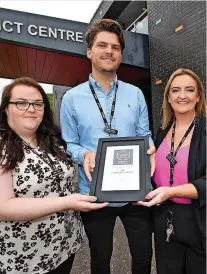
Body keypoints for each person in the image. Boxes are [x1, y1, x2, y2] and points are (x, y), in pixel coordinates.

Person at [60, 19, 155, 274]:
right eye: (102, 45)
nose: (109, 51)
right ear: (89, 51)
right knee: (100, 260)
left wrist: (150, 148)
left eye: (115, 47)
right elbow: (70, 144)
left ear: (120, 54)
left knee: (144, 258)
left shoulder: (135, 94)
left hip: (134, 193)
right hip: (94, 194)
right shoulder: (71, 99)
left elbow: (144, 134)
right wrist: (85, 154)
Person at [0, 77, 108, 274]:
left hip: (64, 246)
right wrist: (67, 202)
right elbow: (3, 206)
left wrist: (85, 154)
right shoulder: (3, 147)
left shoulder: (52, 140)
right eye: (21, 103)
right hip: (26, 256)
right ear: (6, 108)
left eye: (37, 103)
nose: (31, 109)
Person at [138, 68, 206, 274]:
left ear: (198, 96)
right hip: (164, 218)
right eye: (176, 90)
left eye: (189, 90)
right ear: (168, 97)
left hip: (198, 221)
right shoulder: (162, 132)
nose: (182, 95)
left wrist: (172, 191)